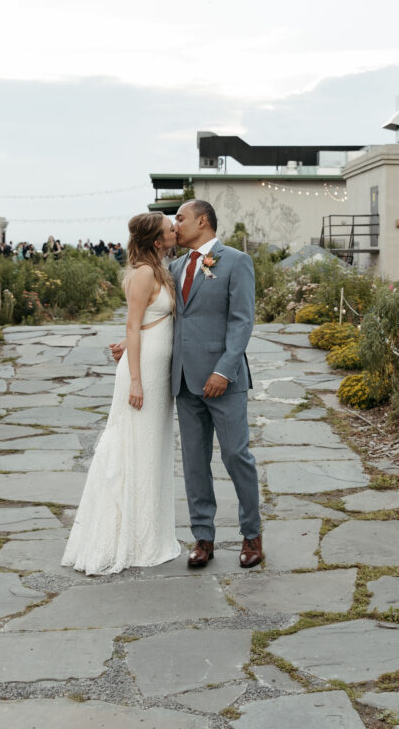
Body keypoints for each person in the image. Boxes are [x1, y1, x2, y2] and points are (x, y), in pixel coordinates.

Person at [111, 200, 262, 569]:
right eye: (173, 221)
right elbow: (159, 316)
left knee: (236, 455)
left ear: (203, 221)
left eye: (180, 218)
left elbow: (242, 322)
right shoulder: (174, 267)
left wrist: (224, 370)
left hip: (223, 380)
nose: (175, 225)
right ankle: (203, 538)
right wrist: (130, 342)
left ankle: (252, 536)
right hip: (182, 379)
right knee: (194, 463)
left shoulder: (237, 262)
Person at [62, 212, 180, 575]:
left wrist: (130, 348)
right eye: (168, 229)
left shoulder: (159, 267)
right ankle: (130, 536)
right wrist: (134, 378)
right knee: (135, 449)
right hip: (143, 373)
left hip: (156, 368)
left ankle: (150, 530)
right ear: (157, 241)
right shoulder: (144, 273)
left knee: (152, 450)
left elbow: (146, 323)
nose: (175, 229)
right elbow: (132, 324)